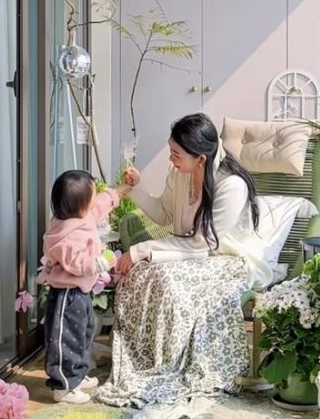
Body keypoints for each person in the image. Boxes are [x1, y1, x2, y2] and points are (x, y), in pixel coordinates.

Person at [98, 113, 272, 419]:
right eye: (171, 150)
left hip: (228, 259)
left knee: (166, 280)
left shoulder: (232, 185)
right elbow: (164, 214)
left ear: (201, 158)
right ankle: (148, 361)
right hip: (190, 252)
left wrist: (141, 250)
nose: (171, 158)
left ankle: (170, 364)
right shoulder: (179, 172)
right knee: (143, 274)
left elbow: (204, 243)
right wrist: (137, 188)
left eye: (176, 154)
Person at [39, 170, 130, 405]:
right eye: (92, 195)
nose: (95, 199)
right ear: (81, 206)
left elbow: (101, 204)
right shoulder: (65, 235)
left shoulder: (82, 216)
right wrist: (101, 263)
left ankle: (77, 376)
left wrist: (122, 189)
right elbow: (78, 264)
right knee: (66, 338)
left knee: (84, 332)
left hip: (81, 292)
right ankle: (63, 385)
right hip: (66, 295)